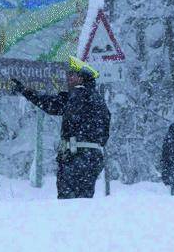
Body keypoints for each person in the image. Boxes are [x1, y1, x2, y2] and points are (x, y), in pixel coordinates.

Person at [11, 56, 110, 199]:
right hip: (93, 157)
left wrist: (25, 91)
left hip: (76, 156)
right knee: (84, 201)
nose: (68, 78)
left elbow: (50, 104)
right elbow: (105, 133)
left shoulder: (77, 95)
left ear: (81, 78)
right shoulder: (98, 99)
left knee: (68, 203)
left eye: (72, 74)